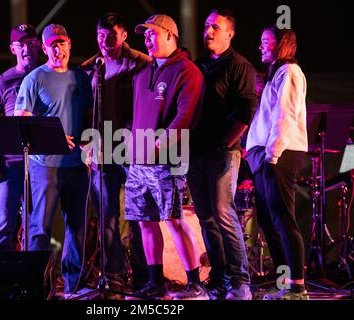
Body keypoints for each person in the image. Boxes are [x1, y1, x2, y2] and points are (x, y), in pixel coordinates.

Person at [125, 14, 207, 300]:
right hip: (138, 161)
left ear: (170, 35)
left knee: (172, 219)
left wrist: (162, 144)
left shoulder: (187, 71)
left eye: (152, 34)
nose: (146, 39)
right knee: (145, 221)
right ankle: (155, 282)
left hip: (168, 159)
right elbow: (135, 117)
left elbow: (185, 116)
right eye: (144, 35)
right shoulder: (143, 72)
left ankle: (195, 283)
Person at [14, 24, 93, 296]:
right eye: (52, 45)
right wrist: (55, 135)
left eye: (62, 43)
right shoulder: (34, 79)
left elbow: (91, 116)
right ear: (45, 49)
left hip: (77, 166)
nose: (58, 49)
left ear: (69, 44)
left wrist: (92, 142)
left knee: (78, 228)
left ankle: (75, 286)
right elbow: (21, 119)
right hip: (44, 166)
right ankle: (38, 288)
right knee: (39, 229)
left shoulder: (82, 78)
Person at [187, 9, 257, 300]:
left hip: (222, 153)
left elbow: (246, 110)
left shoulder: (240, 66)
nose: (209, 31)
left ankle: (240, 281)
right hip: (195, 152)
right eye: (206, 26)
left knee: (224, 214)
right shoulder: (198, 64)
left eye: (215, 27)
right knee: (206, 218)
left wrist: (226, 144)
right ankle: (219, 278)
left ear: (230, 33)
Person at [81, 12, 151, 291]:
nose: (105, 42)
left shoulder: (142, 64)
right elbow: (84, 111)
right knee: (107, 214)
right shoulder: (89, 67)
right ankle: (114, 275)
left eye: (111, 36)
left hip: (134, 149)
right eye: (100, 36)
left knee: (138, 215)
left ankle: (146, 275)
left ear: (123, 36)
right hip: (102, 150)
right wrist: (88, 144)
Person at [246, 26, 309, 300]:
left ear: (282, 45)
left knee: (283, 219)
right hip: (265, 153)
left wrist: (271, 155)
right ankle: (284, 283)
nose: (260, 47)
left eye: (265, 43)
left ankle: (297, 286)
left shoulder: (290, 72)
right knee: (269, 223)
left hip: (280, 154)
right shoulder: (275, 73)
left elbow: (285, 114)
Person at [0, 24, 40, 252]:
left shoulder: (47, 76)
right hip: (10, 166)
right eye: (21, 44)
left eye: (32, 44)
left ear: (39, 47)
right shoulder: (2, 82)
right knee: (4, 223)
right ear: (12, 49)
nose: (27, 49)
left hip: (41, 166)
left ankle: (34, 282)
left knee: (37, 226)